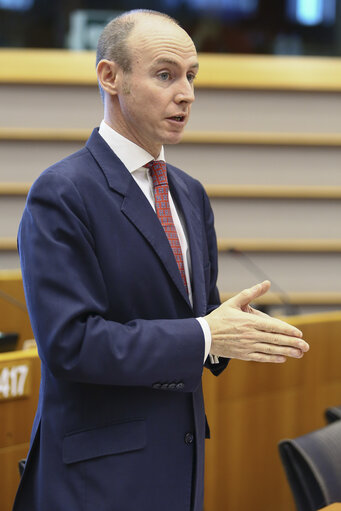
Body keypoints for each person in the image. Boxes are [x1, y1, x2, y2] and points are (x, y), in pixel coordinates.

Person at [13, 9, 309, 511]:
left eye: (192, 76)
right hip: (98, 479)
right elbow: (71, 343)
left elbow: (200, 320)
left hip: (180, 464)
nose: (186, 93)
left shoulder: (190, 194)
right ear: (110, 77)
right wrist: (207, 335)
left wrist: (233, 333)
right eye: (165, 75)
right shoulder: (62, 192)